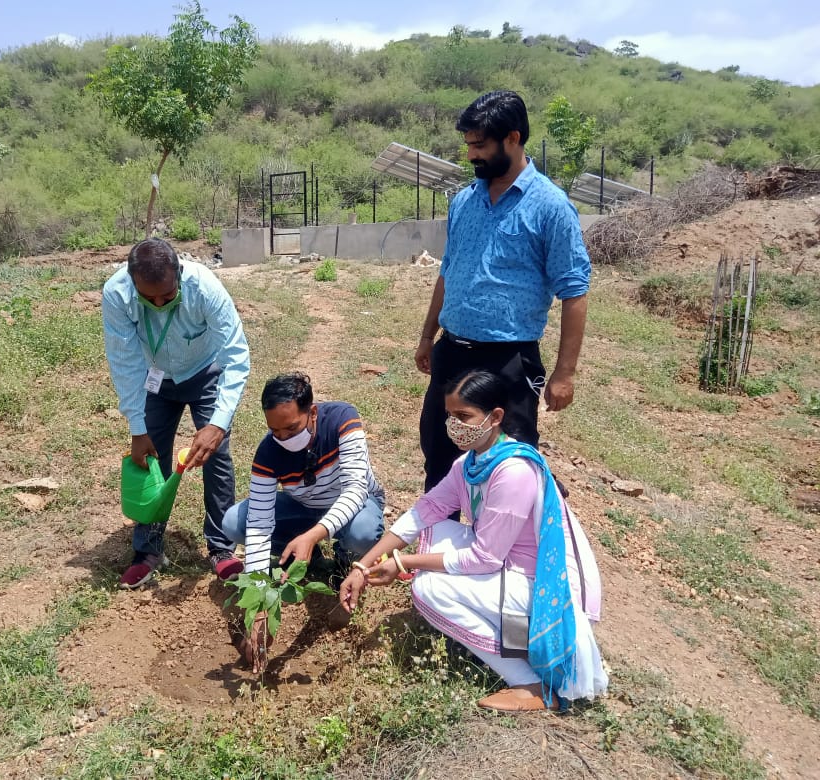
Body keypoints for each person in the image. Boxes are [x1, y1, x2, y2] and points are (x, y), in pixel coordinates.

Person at [339, 370, 607, 712]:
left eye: (464, 416)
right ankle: (514, 641)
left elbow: (485, 559)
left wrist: (403, 563)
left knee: (428, 590)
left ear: (495, 417)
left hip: (539, 585)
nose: (454, 425)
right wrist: (363, 565)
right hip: (511, 569)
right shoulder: (471, 463)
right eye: (450, 416)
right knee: (436, 532)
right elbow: (426, 511)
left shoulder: (514, 473)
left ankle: (529, 682)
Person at [415, 90, 591, 491]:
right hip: (451, 353)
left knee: (508, 469)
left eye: (480, 145)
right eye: (469, 145)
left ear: (512, 138)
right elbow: (448, 271)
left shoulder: (551, 207)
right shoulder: (464, 201)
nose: (471, 155)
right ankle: (439, 547)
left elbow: (574, 292)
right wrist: (428, 336)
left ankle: (504, 550)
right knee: (440, 458)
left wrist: (565, 373)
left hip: (508, 361)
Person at [103, 237, 250, 589]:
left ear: (179, 276)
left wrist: (216, 424)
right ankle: (148, 550)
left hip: (205, 372)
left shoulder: (205, 287)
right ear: (131, 281)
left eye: (167, 298)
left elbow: (235, 355)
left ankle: (221, 548)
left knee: (216, 457)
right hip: (154, 380)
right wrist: (137, 429)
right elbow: (124, 362)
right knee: (151, 460)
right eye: (147, 298)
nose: (157, 304)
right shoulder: (117, 294)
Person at [222, 372, 385, 672]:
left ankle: (342, 563)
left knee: (362, 534)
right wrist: (260, 603)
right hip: (304, 508)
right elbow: (258, 522)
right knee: (235, 522)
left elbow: (355, 489)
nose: (283, 437)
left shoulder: (342, 420)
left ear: (311, 412)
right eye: (275, 431)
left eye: (291, 428)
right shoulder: (269, 452)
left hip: (357, 504)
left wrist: (313, 536)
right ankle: (306, 559)